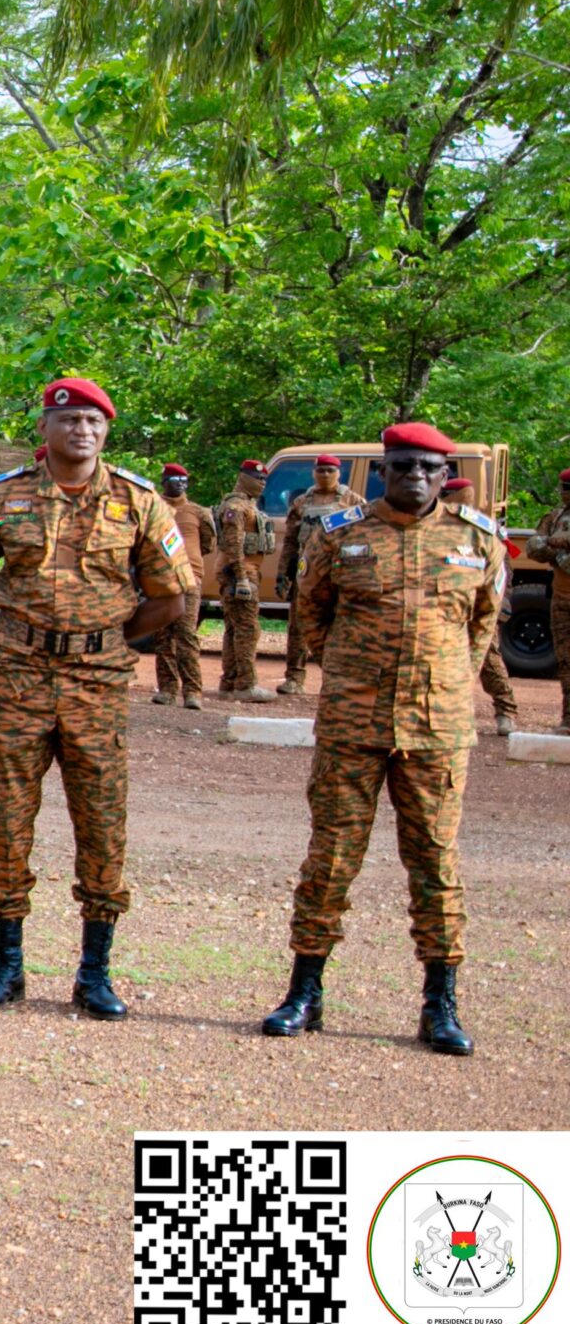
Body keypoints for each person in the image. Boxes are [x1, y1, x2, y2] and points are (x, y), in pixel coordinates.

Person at [0, 377, 190, 1020]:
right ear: (44, 431)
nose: (82, 430)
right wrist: (10, 637)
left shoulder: (139, 502)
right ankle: (7, 967)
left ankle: (94, 973)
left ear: (106, 432)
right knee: (7, 819)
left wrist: (109, 641)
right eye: (70, 420)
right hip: (18, 679)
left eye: (93, 422)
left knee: (102, 823)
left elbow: (170, 597)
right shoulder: (3, 498)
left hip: (98, 684)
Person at [259, 423, 501, 1056]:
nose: (414, 477)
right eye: (402, 466)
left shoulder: (478, 541)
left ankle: (439, 1005)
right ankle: (304, 993)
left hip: (436, 731)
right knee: (331, 858)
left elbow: (480, 629)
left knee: (435, 865)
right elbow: (312, 617)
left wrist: (443, 682)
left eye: (427, 467)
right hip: (352, 723)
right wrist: (352, 674)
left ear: (444, 474)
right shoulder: (342, 536)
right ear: (383, 470)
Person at [445, 476, 519, 735]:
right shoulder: (436, 524)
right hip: (447, 604)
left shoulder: (483, 527)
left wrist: (501, 600)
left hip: (479, 605)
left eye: (449, 495)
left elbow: (503, 569)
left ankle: (506, 711)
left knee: (489, 660)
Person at [275, 455, 347, 695]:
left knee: (336, 627)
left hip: (336, 573)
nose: (325, 475)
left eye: (330, 471)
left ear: (338, 473)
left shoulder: (352, 501)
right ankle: (294, 678)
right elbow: (290, 540)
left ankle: (334, 679)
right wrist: (283, 572)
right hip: (305, 573)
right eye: (321, 471)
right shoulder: (301, 502)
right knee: (298, 625)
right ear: (313, 473)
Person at [152, 464, 216, 710]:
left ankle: (193, 691)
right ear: (164, 481)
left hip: (189, 578)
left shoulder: (198, 513)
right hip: (159, 579)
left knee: (186, 633)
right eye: (174, 479)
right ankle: (167, 689)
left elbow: (208, 545)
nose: (180, 484)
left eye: (184, 480)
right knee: (163, 634)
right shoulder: (153, 508)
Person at [213, 461, 278, 700]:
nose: (261, 483)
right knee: (248, 629)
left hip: (247, 571)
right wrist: (241, 578)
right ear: (243, 477)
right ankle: (245, 685)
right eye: (256, 478)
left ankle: (229, 683)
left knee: (235, 628)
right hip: (239, 572)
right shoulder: (235, 507)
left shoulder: (247, 505)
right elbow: (233, 544)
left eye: (263, 480)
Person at [528, 469, 570, 733]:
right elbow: (533, 547)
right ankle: (569, 719)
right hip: (562, 599)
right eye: (564, 488)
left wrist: (554, 545)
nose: (565, 493)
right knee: (566, 661)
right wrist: (559, 544)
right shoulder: (555, 517)